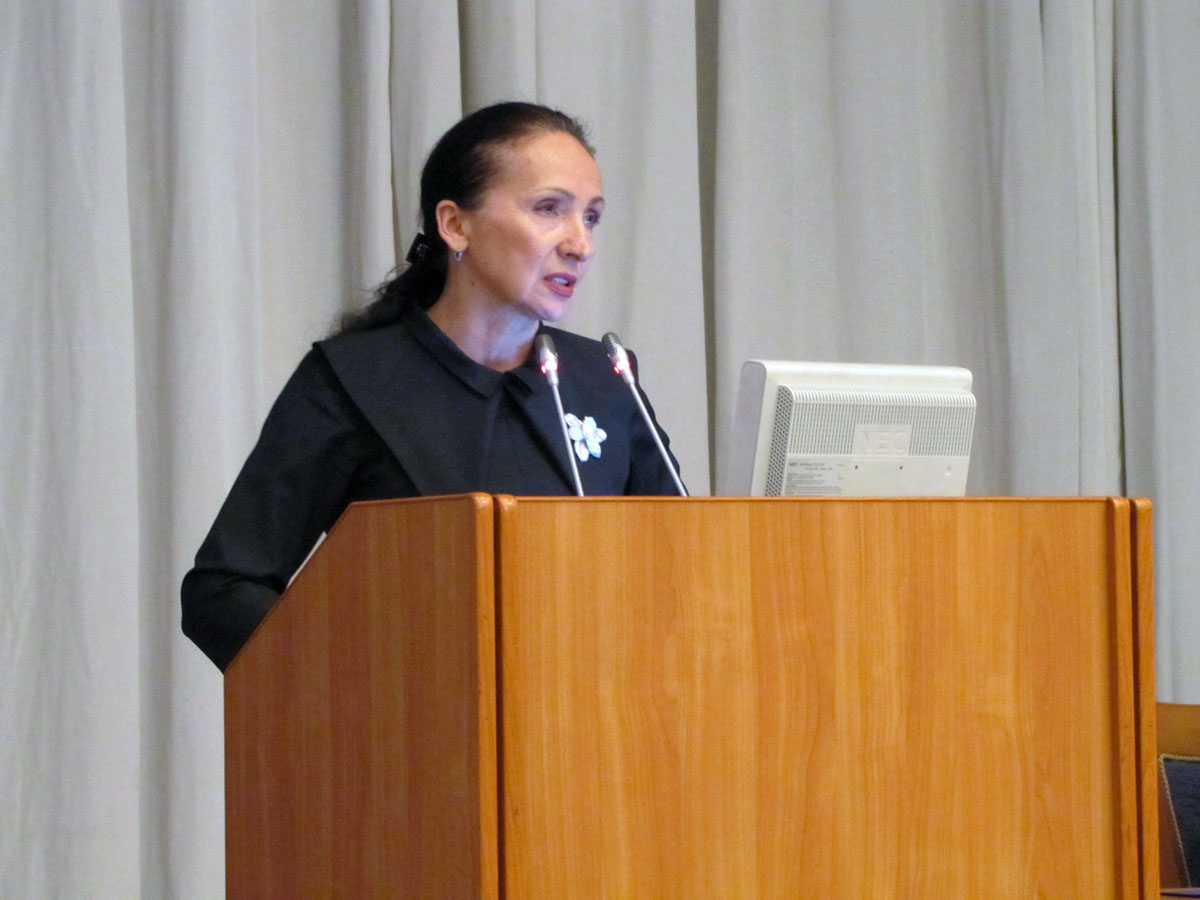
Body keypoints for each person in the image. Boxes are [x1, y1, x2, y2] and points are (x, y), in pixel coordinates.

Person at [181, 101, 683, 670]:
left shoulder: (607, 380)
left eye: (591, 218)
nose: (580, 244)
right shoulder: (357, 380)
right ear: (455, 225)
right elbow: (224, 592)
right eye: (549, 209)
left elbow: (684, 569)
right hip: (412, 719)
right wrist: (357, 687)